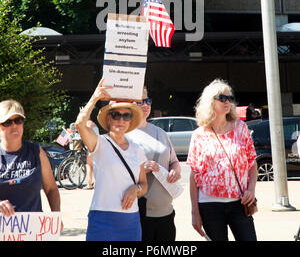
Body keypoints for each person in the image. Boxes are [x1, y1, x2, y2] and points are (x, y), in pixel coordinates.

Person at [75, 78, 148, 241]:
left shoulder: (137, 149)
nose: (121, 120)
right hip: (102, 219)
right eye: (115, 115)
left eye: (126, 116)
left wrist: (135, 189)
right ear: (108, 119)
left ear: (130, 121)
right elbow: (80, 124)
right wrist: (95, 97)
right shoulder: (99, 142)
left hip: (130, 221)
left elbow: (144, 185)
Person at [187, 79, 258, 241]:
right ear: (210, 102)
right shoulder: (199, 135)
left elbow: (252, 165)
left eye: (230, 98)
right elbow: (193, 177)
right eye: (222, 98)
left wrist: (251, 190)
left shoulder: (241, 128)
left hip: (239, 203)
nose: (227, 102)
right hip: (209, 205)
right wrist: (194, 213)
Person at [127, 88, 181, 241]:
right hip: (141, 214)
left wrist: (175, 171)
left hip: (166, 212)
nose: (145, 105)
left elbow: (174, 161)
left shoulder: (160, 132)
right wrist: (142, 170)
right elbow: (119, 175)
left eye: (148, 101)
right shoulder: (125, 135)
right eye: (140, 102)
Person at [0, 99, 61, 218]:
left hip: (32, 231)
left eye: (18, 120)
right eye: (8, 122)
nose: (14, 126)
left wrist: (56, 216)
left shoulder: (36, 152)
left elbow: (51, 188)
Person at [85, 119, 99, 189]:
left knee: (90, 165)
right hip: (96, 145)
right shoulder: (93, 123)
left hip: (92, 146)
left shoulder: (88, 124)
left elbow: (87, 134)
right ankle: (93, 183)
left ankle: (90, 184)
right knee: (93, 165)